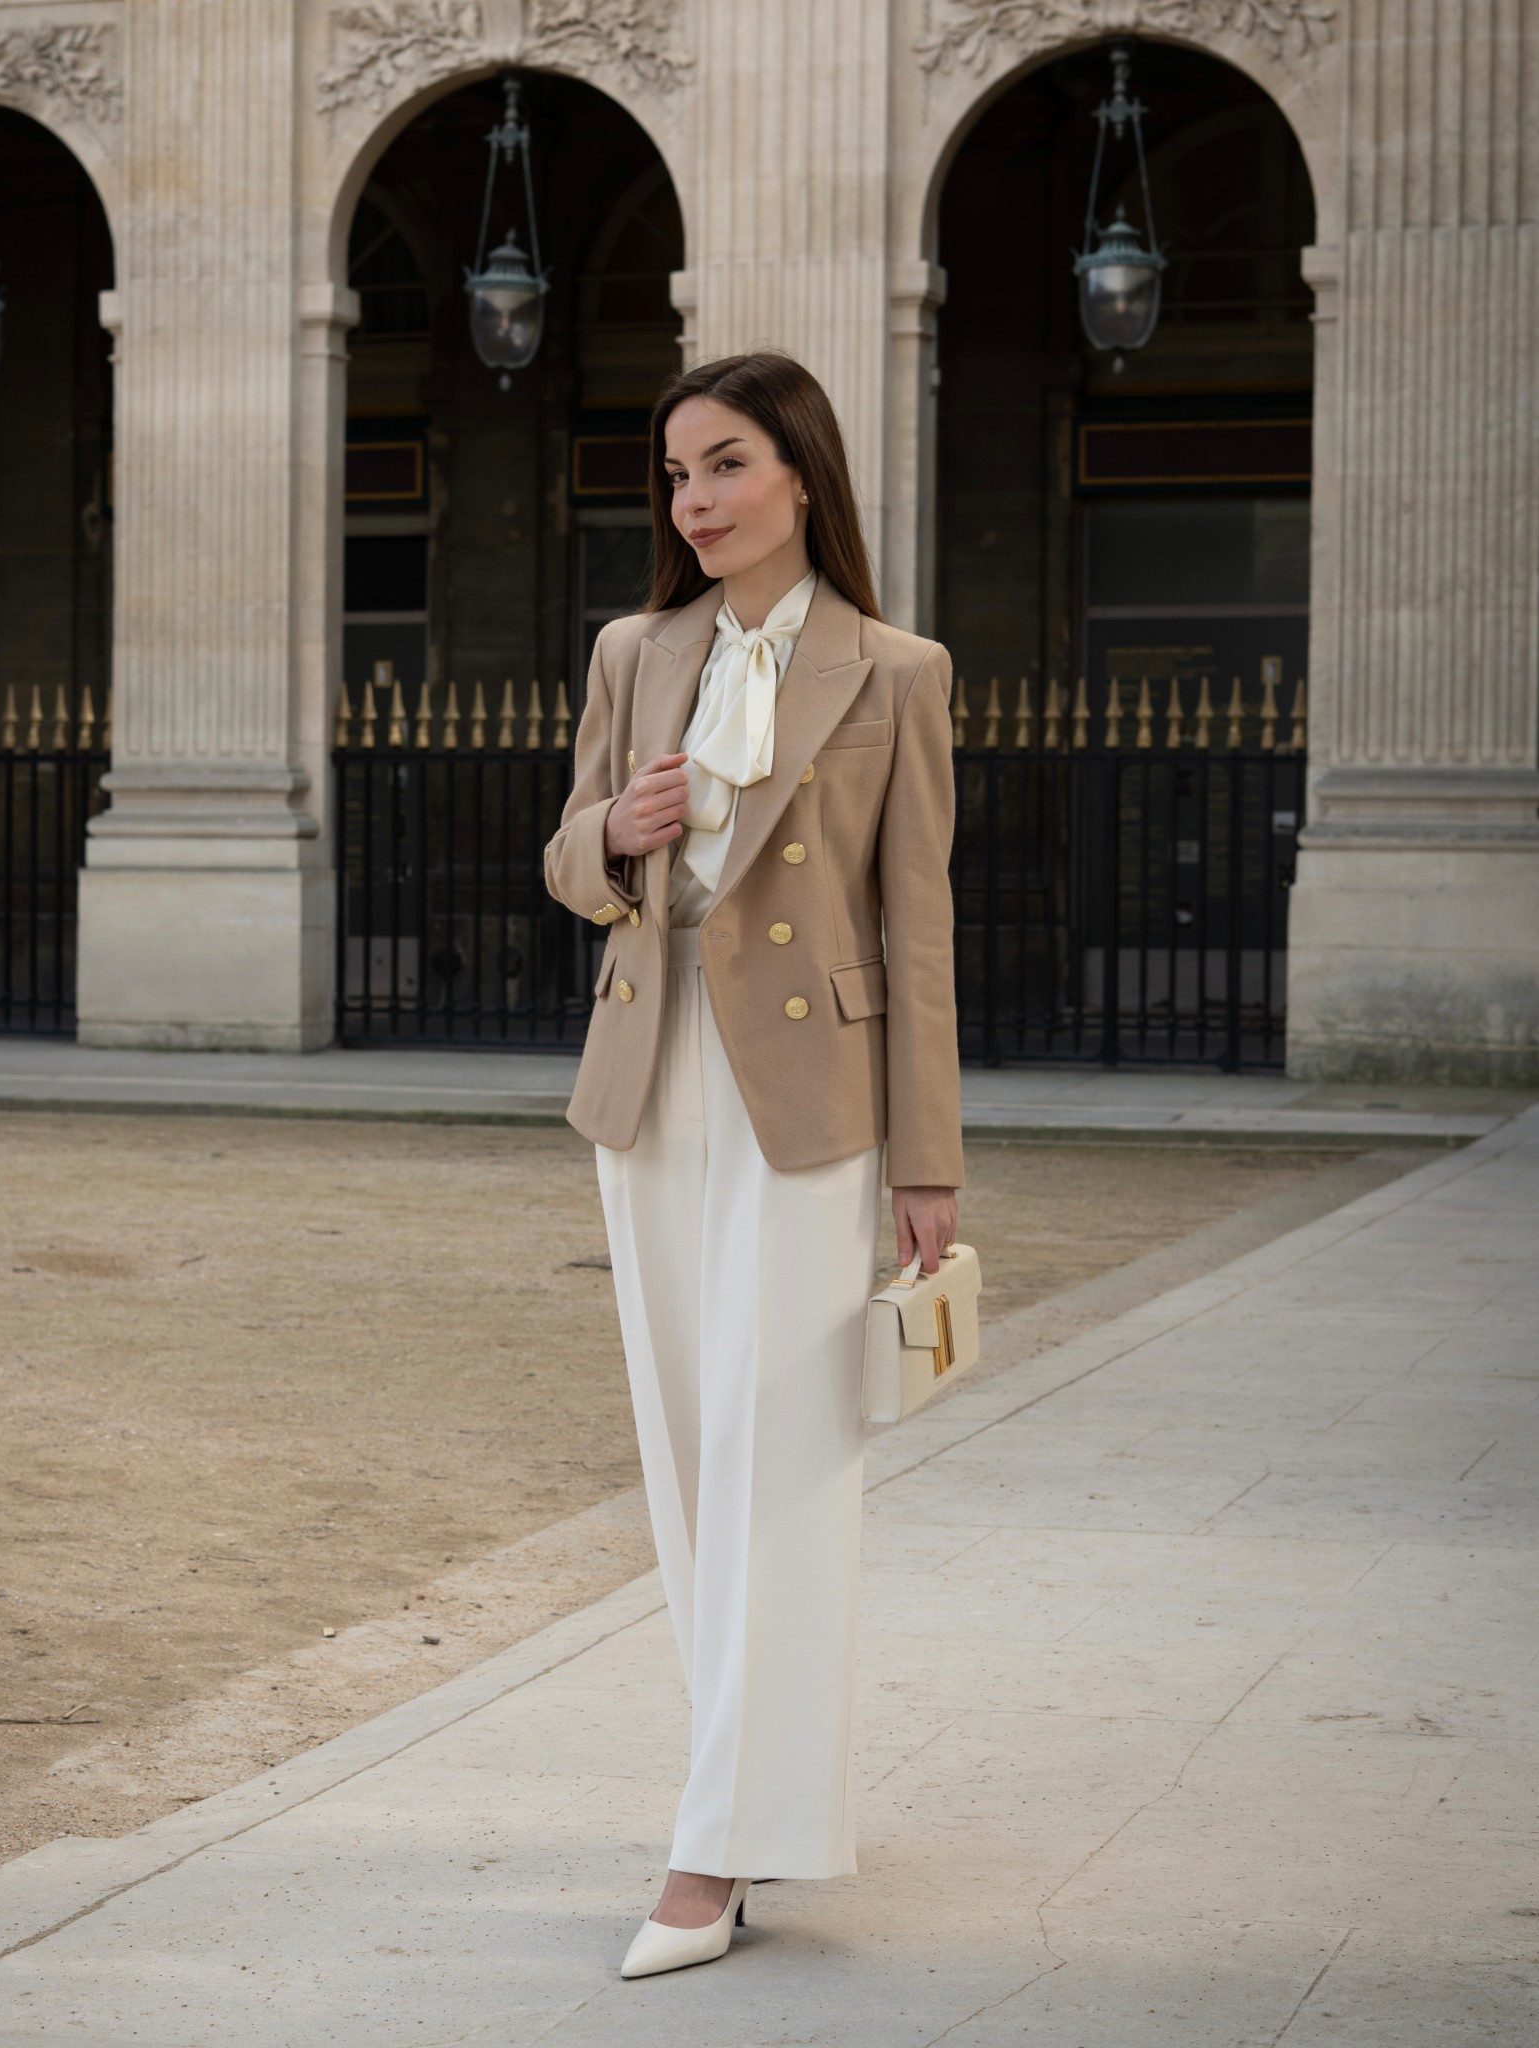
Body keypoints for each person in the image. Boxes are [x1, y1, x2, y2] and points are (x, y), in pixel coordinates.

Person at [542, 350, 963, 1979]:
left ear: (800, 472)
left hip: (814, 1100)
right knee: (690, 1461)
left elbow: (917, 932)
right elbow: (569, 858)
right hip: (649, 1084)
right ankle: (751, 1798)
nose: (693, 501)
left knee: (784, 1456)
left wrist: (929, 1159)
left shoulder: (897, 670)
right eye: (674, 476)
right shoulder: (634, 650)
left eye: (723, 466)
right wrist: (623, 836)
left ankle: (711, 1852)